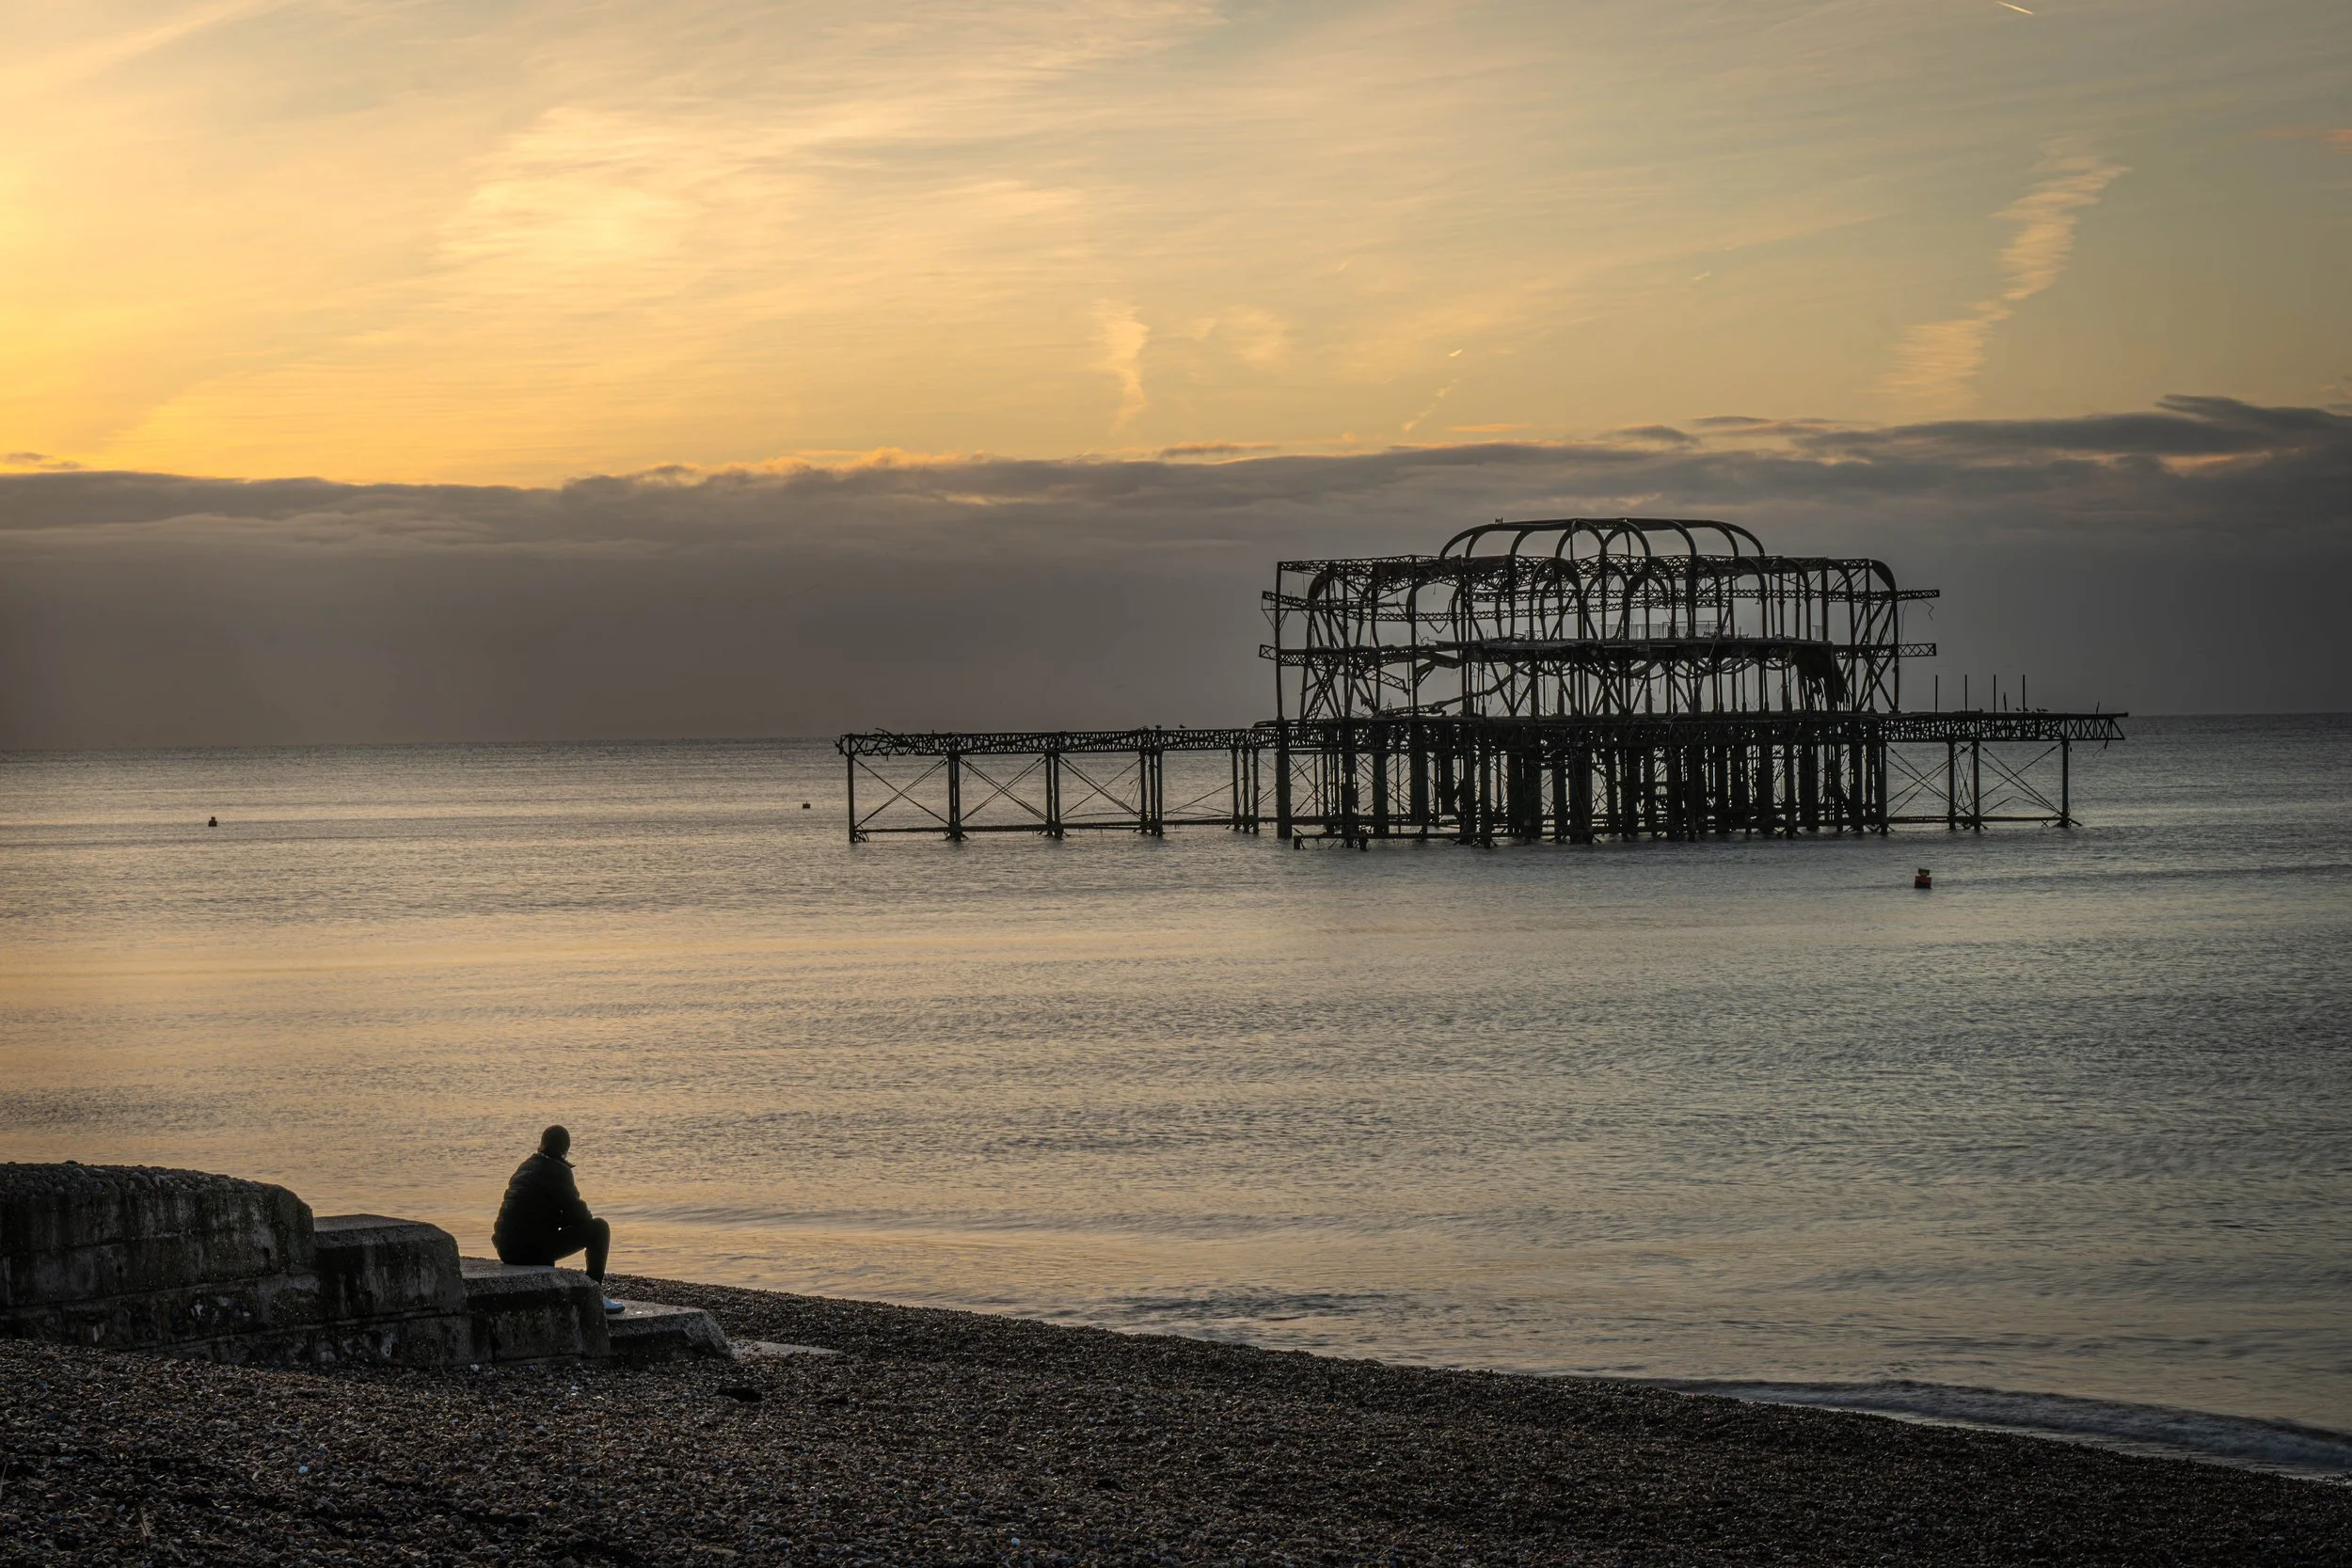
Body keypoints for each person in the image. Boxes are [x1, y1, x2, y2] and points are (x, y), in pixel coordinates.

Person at [493, 1125, 623, 1314]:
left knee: (544, 1229)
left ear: (542, 1144)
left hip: (506, 1248)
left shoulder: (526, 1166)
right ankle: (594, 1295)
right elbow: (581, 1217)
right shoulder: (559, 1170)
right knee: (599, 1229)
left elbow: (532, 1214)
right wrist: (569, 1218)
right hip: (527, 1251)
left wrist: (562, 1218)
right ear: (565, 1148)